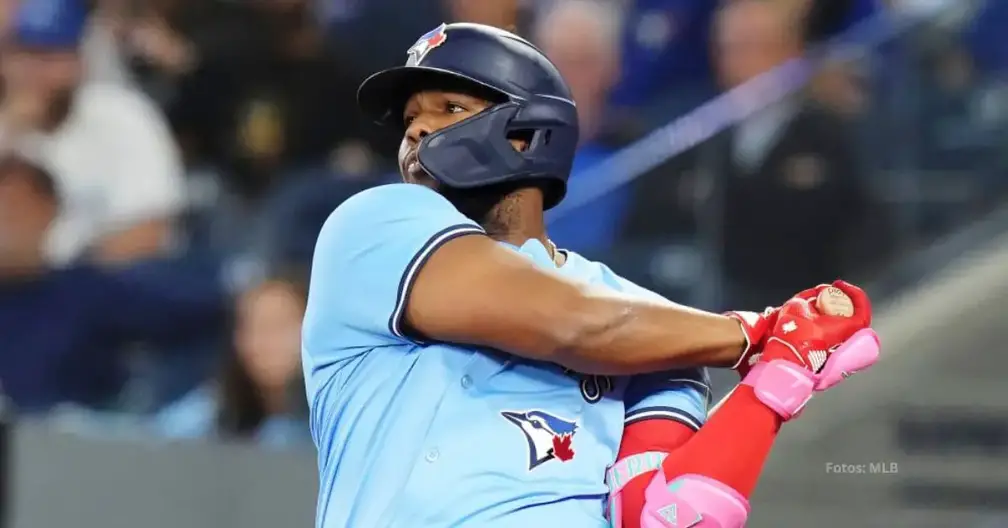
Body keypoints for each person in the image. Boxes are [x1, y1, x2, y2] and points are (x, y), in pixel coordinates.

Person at [302, 22, 877, 527]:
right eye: (409, 120)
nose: (416, 133)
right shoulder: (374, 229)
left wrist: (782, 375)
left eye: (449, 109)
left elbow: (673, 514)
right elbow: (573, 324)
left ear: (525, 133)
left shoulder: (655, 327)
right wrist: (759, 334)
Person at [155, 269, 310, 448]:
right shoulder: (208, 413)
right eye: (255, 327)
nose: (267, 341)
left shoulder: (339, 418)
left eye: (281, 325)